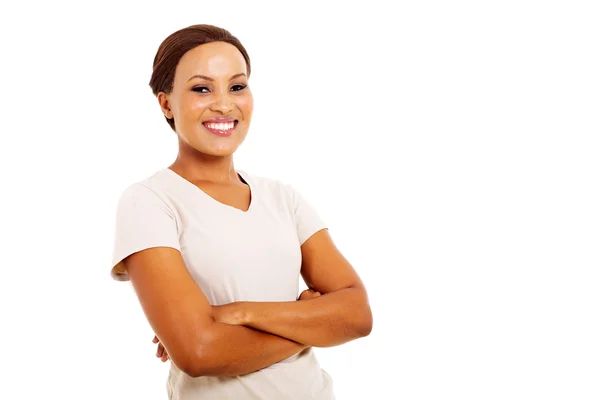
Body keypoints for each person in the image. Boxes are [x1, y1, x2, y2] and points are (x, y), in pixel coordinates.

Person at [110, 24, 373, 400]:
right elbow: (199, 352)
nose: (223, 103)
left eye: (237, 86)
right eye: (202, 88)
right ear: (166, 103)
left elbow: (358, 315)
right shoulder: (150, 201)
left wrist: (237, 312)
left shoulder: (284, 198)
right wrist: (311, 323)